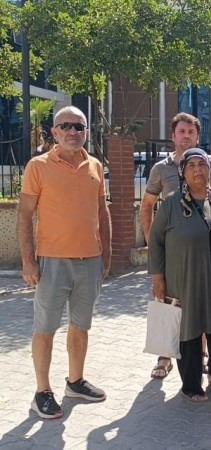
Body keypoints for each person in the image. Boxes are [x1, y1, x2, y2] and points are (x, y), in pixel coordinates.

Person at [18, 106, 112, 419]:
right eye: (66, 126)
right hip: (52, 262)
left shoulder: (95, 165)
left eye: (79, 126)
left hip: (90, 261)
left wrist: (106, 254)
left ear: (86, 131)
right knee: (45, 328)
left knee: (81, 326)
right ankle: (42, 392)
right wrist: (28, 261)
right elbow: (24, 215)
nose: (73, 132)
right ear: (55, 132)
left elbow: (102, 212)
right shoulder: (38, 166)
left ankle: (75, 381)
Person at [147, 149, 211, 402]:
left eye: (203, 165)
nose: (198, 170)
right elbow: (155, 241)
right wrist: (158, 278)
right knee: (189, 329)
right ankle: (190, 385)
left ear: (210, 170)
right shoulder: (171, 203)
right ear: (183, 172)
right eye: (192, 166)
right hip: (186, 280)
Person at [140, 113, 211, 379]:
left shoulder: (209, 166)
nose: (186, 136)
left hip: (202, 247)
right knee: (169, 301)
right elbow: (147, 205)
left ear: (197, 137)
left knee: (201, 301)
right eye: (182, 131)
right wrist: (153, 241)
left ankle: (200, 356)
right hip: (172, 247)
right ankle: (165, 356)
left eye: (191, 132)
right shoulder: (160, 169)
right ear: (173, 136)